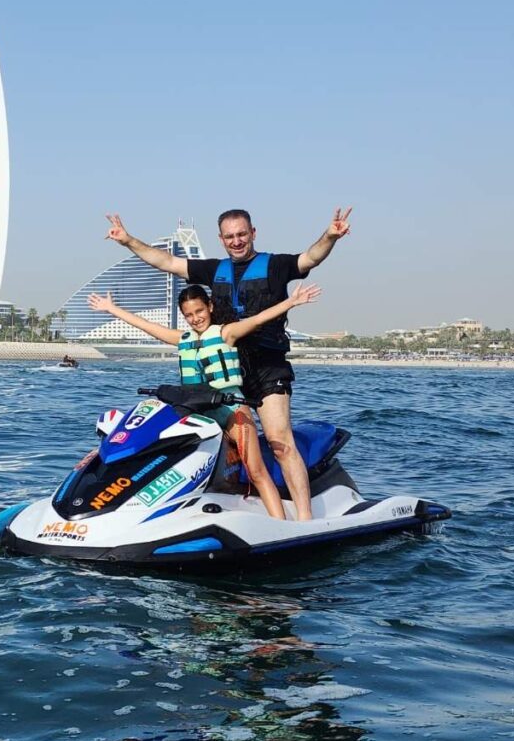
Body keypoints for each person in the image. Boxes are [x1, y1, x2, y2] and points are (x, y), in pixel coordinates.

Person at [102, 207, 352, 520]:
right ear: (221, 239)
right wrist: (127, 240)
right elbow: (166, 262)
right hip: (225, 374)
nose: (237, 241)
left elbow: (310, 258)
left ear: (253, 233)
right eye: (230, 236)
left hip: (266, 368)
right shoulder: (213, 270)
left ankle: (304, 521)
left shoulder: (275, 265)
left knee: (279, 442)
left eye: (242, 234)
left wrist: (330, 236)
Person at [85, 283, 320, 520]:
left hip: (232, 410)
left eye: (199, 311)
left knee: (256, 472)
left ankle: (279, 524)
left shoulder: (226, 333)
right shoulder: (182, 339)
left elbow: (259, 319)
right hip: (197, 413)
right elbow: (147, 326)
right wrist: (111, 309)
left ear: (210, 307)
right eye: (189, 315)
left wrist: (291, 302)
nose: (195, 318)